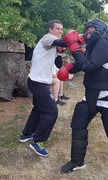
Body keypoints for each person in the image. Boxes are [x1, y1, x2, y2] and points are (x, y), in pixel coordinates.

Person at [58, 18, 108, 173]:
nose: (88, 32)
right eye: (87, 29)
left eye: (93, 30)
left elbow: (89, 66)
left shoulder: (105, 46)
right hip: (91, 94)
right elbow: (83, 62)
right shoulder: (92, 47)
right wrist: (69, 68)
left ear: (101, 31)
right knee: (78, 125)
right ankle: (77, 162)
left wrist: (74, 47)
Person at [19, 19, 67, 157]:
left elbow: (58, 64)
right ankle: (37, 141)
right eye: (58, 28)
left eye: (62, 29)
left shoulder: (53, 45)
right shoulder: (47, 38)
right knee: (52, 111)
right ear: (50, 29)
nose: (60, 31)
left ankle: (26, 134)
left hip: (41, 82)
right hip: (37, 83)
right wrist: (75, 40)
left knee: (39, 109)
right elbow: (61, 42)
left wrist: (59, 53)